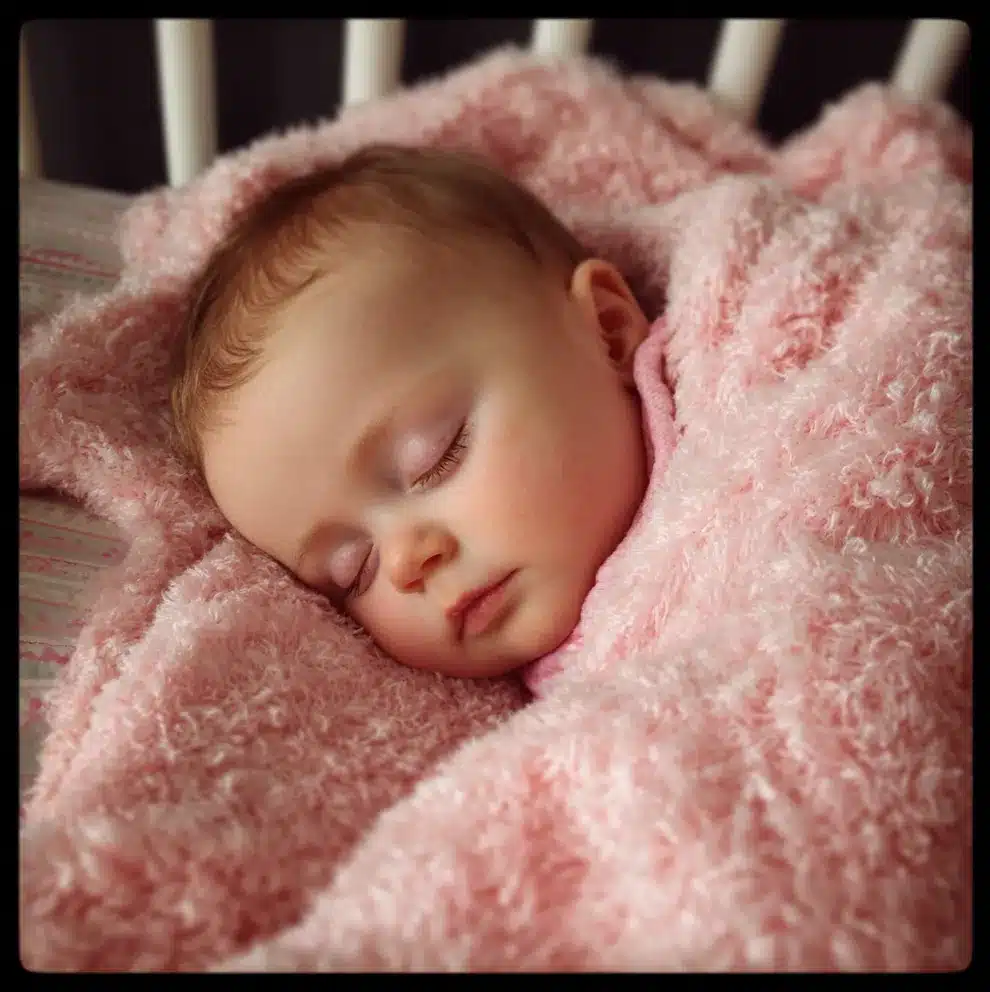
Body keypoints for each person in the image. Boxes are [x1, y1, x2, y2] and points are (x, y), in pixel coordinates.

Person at [171, 144, 652, 678]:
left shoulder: (725, 437)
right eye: (354, 572)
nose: (405, 562)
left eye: (435, 458)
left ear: (607, 329)